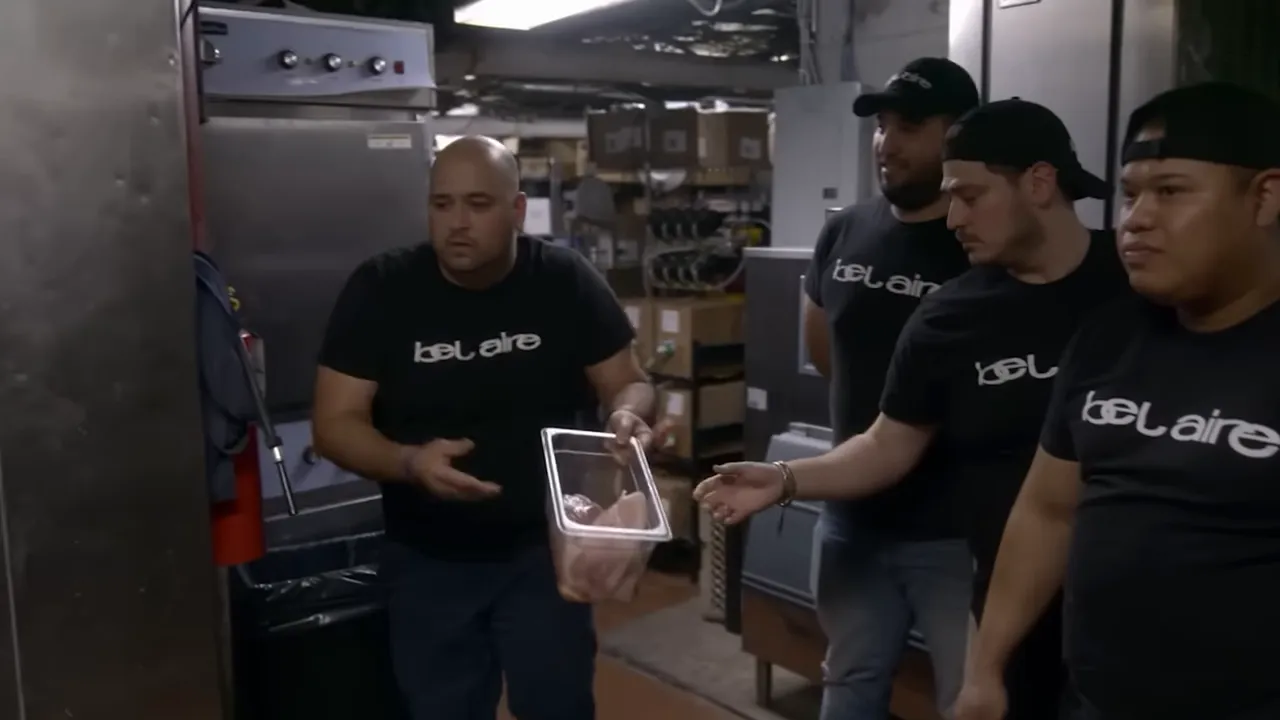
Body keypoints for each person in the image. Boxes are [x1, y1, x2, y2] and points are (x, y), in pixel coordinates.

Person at [700, 99, 1124, 718]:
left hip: (1128, 600)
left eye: (971, 196)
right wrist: (785, 478)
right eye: (950, 197)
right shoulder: (950, 317)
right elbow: (886, 445)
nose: (953, 218)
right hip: (1008, 598)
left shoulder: (1137, 287)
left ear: (1039, 183)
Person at [956, 82, 1280, 720]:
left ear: (1264, 197)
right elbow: (1047, 513)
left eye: (1172, 192)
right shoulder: (1107, 339)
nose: (1136, 220)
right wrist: (985, 669)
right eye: (1131, 195)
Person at [310, 135, 659, 720]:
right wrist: (409, 462)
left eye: (478, 204)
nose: (457, 223)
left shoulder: (563, 280)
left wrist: (626, 414)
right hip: (427, 558)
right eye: (441, 204)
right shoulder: (381, 289)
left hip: (543, 557)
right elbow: (334, 423)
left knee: (557, 706)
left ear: (517, 209)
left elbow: (630, 382)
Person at [800, 56, 979, 720]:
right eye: (881, 126)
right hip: (853, 522)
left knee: (971, 699)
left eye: (909, 126)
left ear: (958, 134)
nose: (886, 143)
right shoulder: (844, 231)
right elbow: (826, 352)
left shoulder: (979, 246)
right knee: (849, 683)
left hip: (954, 534)